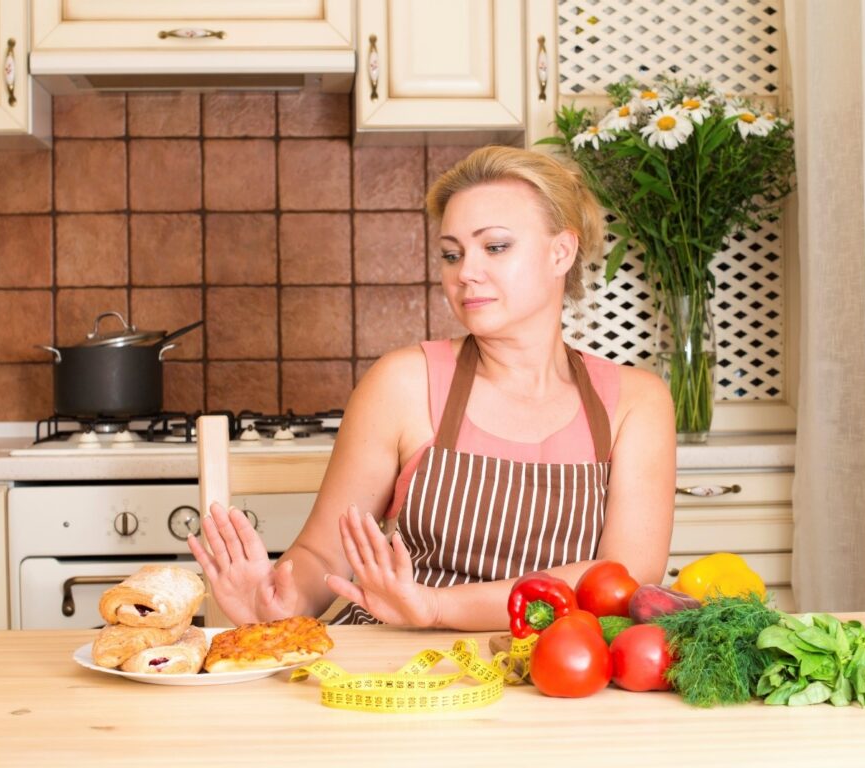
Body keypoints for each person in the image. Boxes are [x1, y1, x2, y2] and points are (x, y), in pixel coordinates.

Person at [188, 145, 676, 630]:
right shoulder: (401, 383)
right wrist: (281, 599)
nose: (465, 272)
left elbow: (622, 576)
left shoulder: (636, 403)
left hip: (562, 671)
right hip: (397, 670)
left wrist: (439, 608)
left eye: (496, 247)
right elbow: (324, 554)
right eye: (451, 253)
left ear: (561, 252)